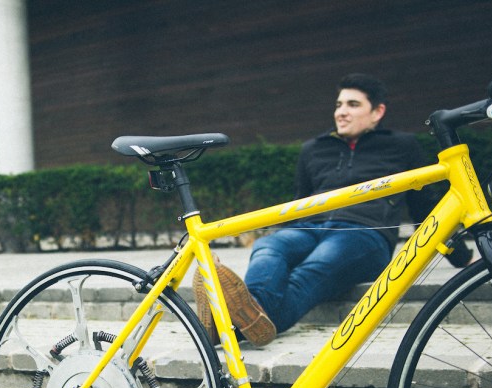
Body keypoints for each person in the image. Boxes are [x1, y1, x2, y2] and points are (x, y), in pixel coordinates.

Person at [194, 73, 471, 346]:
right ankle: (245, 318)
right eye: (339, 105)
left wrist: (461, 257)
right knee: (269, 246)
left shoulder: (401, 146)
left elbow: (427, 207)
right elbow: (299, 202)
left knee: (310, 272)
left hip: (363, 234)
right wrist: (287, 246)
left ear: (377, 112)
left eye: (353, 104)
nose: (341, 112)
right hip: (309, 228)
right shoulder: (313, 149)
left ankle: (230, 326)